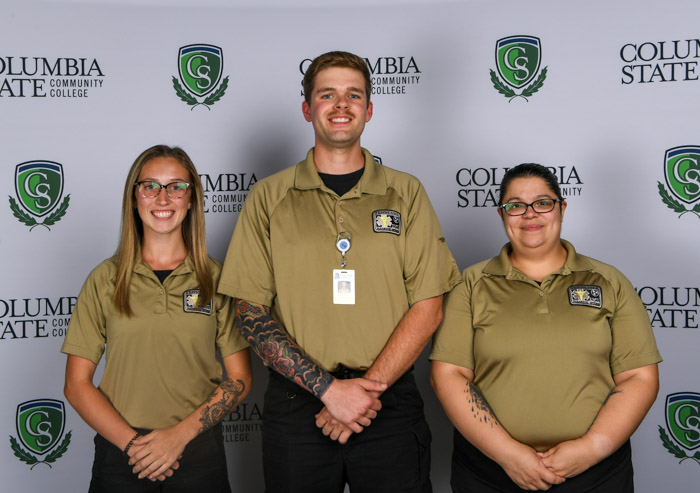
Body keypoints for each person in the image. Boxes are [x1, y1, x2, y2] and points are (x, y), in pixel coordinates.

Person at [218, 51, 461, 492]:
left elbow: (429, 305)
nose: (341, 105)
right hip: (298, 404)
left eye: (354, 95)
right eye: (327, 94)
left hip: (387, 403)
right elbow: (250, 312)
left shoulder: (406, 192)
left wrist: (363, 393)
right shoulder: (268, 197)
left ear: (369, 109)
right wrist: (330, 391)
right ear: (308, 109)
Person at [430, 163, 661, 492]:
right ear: (502, 215)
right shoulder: (470, 284)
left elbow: (639, 377)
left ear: (561, 208)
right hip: (491, 473)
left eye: (542, 202)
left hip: (596, 474)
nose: (530, 214)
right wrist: (510, 456)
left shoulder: (609, 281)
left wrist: (590, 448)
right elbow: (448, 375)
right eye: (515, 206)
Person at [62, 145, 252, 492]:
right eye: (150, 186)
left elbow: (239, 379)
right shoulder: (105, 279)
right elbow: (76, 385)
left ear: (191, 199)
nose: (163, 198)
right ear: (134, 199)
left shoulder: (216, 279)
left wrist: (178, 437)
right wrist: (135, 446)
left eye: (176, 186)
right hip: (122, 455)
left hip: (197, 453)